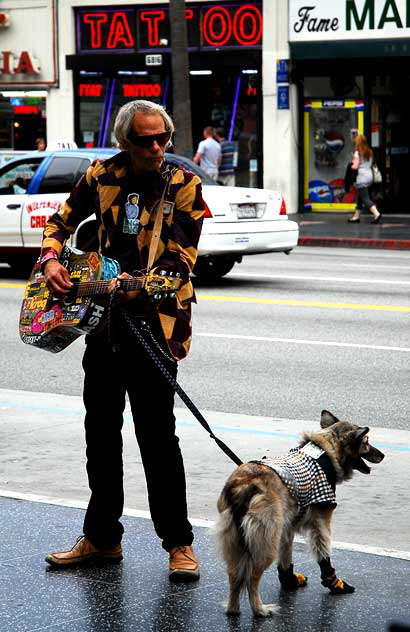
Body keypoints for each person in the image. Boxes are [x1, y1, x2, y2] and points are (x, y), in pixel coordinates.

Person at [40, 100, 206, 582]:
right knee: (100, 435)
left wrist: (137, 284)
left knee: (158, 439)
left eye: (162, 139)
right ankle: (103, 537)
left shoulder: (183, 185)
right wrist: (52, 260)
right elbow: (59, 222)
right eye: (145, 140)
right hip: (105, 327)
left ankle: (178, 544)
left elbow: (181, 261)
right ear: (125, 142)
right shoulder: (101, 176)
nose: (156, 148)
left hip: (155, 328)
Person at [347, 134, 381, 223]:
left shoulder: (357, 153)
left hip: (361, 177)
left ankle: (376, 213)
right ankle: (356, 216)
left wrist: (352, 162)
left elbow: (355, 166)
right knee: (360, 196)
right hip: (369, 176)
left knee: (365, 198)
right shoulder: (370, 151)